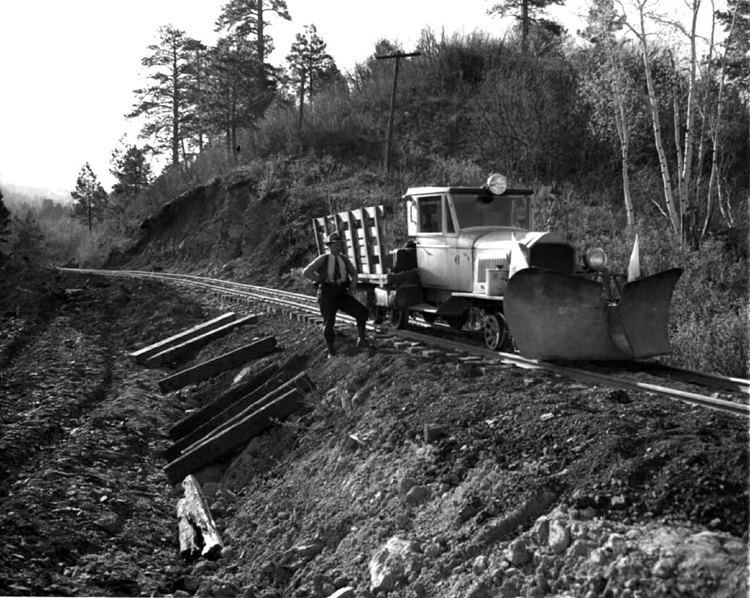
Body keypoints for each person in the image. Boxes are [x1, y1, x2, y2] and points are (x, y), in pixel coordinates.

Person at [302, 231, 369, 357]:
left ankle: (362, 340)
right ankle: (331, 351)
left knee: (362, 312)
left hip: (341, 292)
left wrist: (352, 287)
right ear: (330, 246)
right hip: (327, 292)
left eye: (340, 245)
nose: (338, 247)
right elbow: (306, 272)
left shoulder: (343, 259)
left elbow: (354, 273)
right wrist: (320, 280)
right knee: (329, 322)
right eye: (336, 245)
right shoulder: (323, 258)